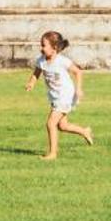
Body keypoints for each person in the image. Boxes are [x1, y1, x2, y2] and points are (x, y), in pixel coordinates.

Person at [26, 30, 93, 159]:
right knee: (62, 126)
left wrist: (79, 89)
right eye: (41, 45)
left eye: (44, 45)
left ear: (54, 48)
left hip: (65, 96)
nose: (41, 48)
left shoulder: (62, 61)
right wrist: (31, 83)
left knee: (50, 124)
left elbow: (78, 72)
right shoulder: (41, 60)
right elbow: (37, 73)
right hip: (55, 96)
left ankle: (52, 153)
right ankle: (84, 131)